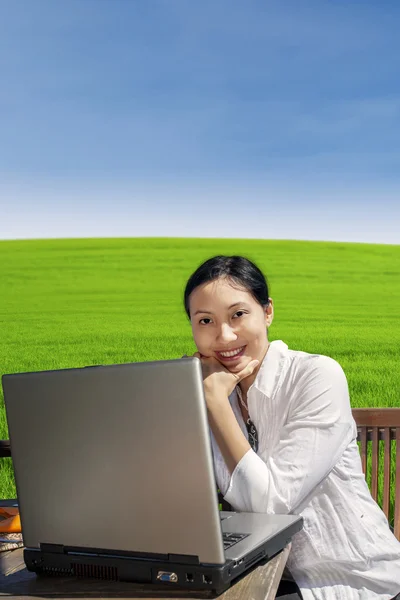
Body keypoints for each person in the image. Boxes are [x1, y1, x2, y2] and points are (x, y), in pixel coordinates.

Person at [183, 255, 400, 600]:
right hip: (262, 572)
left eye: (238, 314)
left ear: (267, 312)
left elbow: (270, 505)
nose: (224, 335)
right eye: (205, 320)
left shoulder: (316, 376)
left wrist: (215, 404)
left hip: (349, 581)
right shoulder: (208, 386)